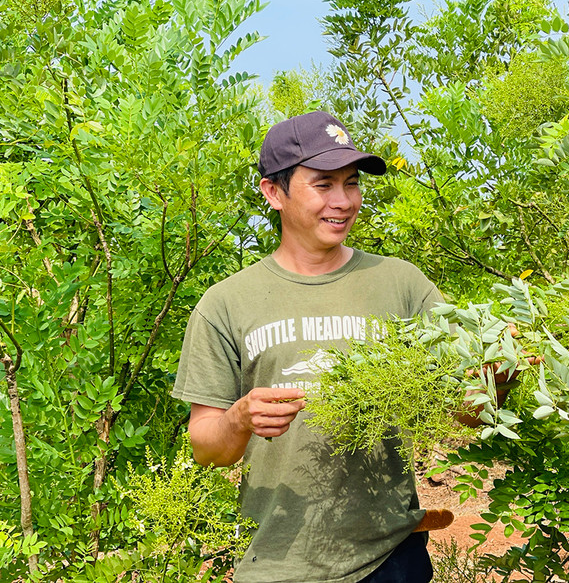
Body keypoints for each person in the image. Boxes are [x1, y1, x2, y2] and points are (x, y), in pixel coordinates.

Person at [172, 111, 443, 583]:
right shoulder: (226, 303)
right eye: (323, 185)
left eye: (352, 183)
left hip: (391, 558)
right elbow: (207, 449)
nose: (344, 201)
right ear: (273, 192)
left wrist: (497, 379)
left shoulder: (402, 284)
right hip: (277, 562)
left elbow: (466, 409)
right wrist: (239, 419)